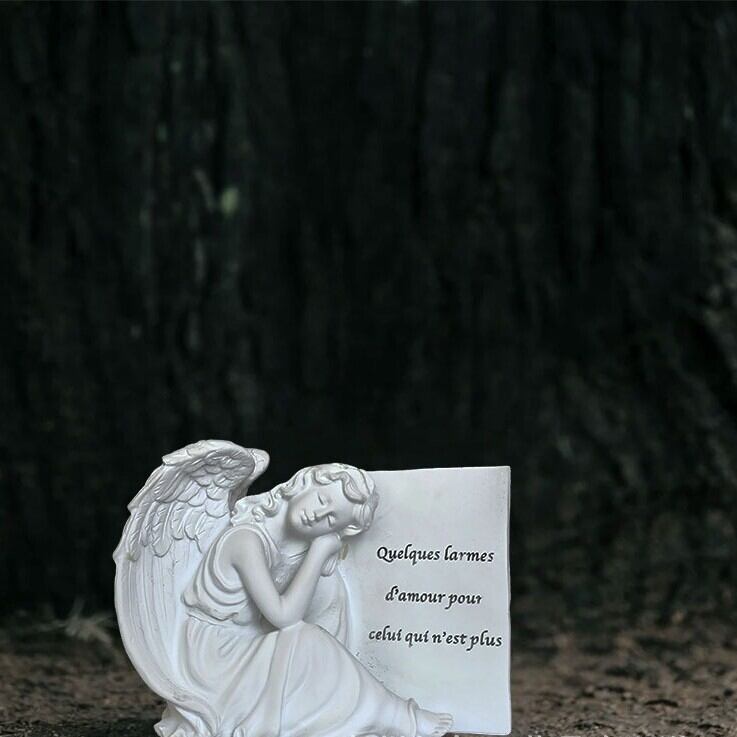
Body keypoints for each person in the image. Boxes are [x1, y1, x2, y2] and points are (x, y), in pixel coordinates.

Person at [165, 463, 452, 737]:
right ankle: (397, 716)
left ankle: (349, 712)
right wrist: (318, 552)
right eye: (322, 499)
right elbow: (285, 618)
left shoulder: (278, 546)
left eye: (331, 519)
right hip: (212, 657)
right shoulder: (245, 540)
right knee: (305, 637)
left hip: (236, 644)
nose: (318, 515)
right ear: (301, 485)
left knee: (321, 612)